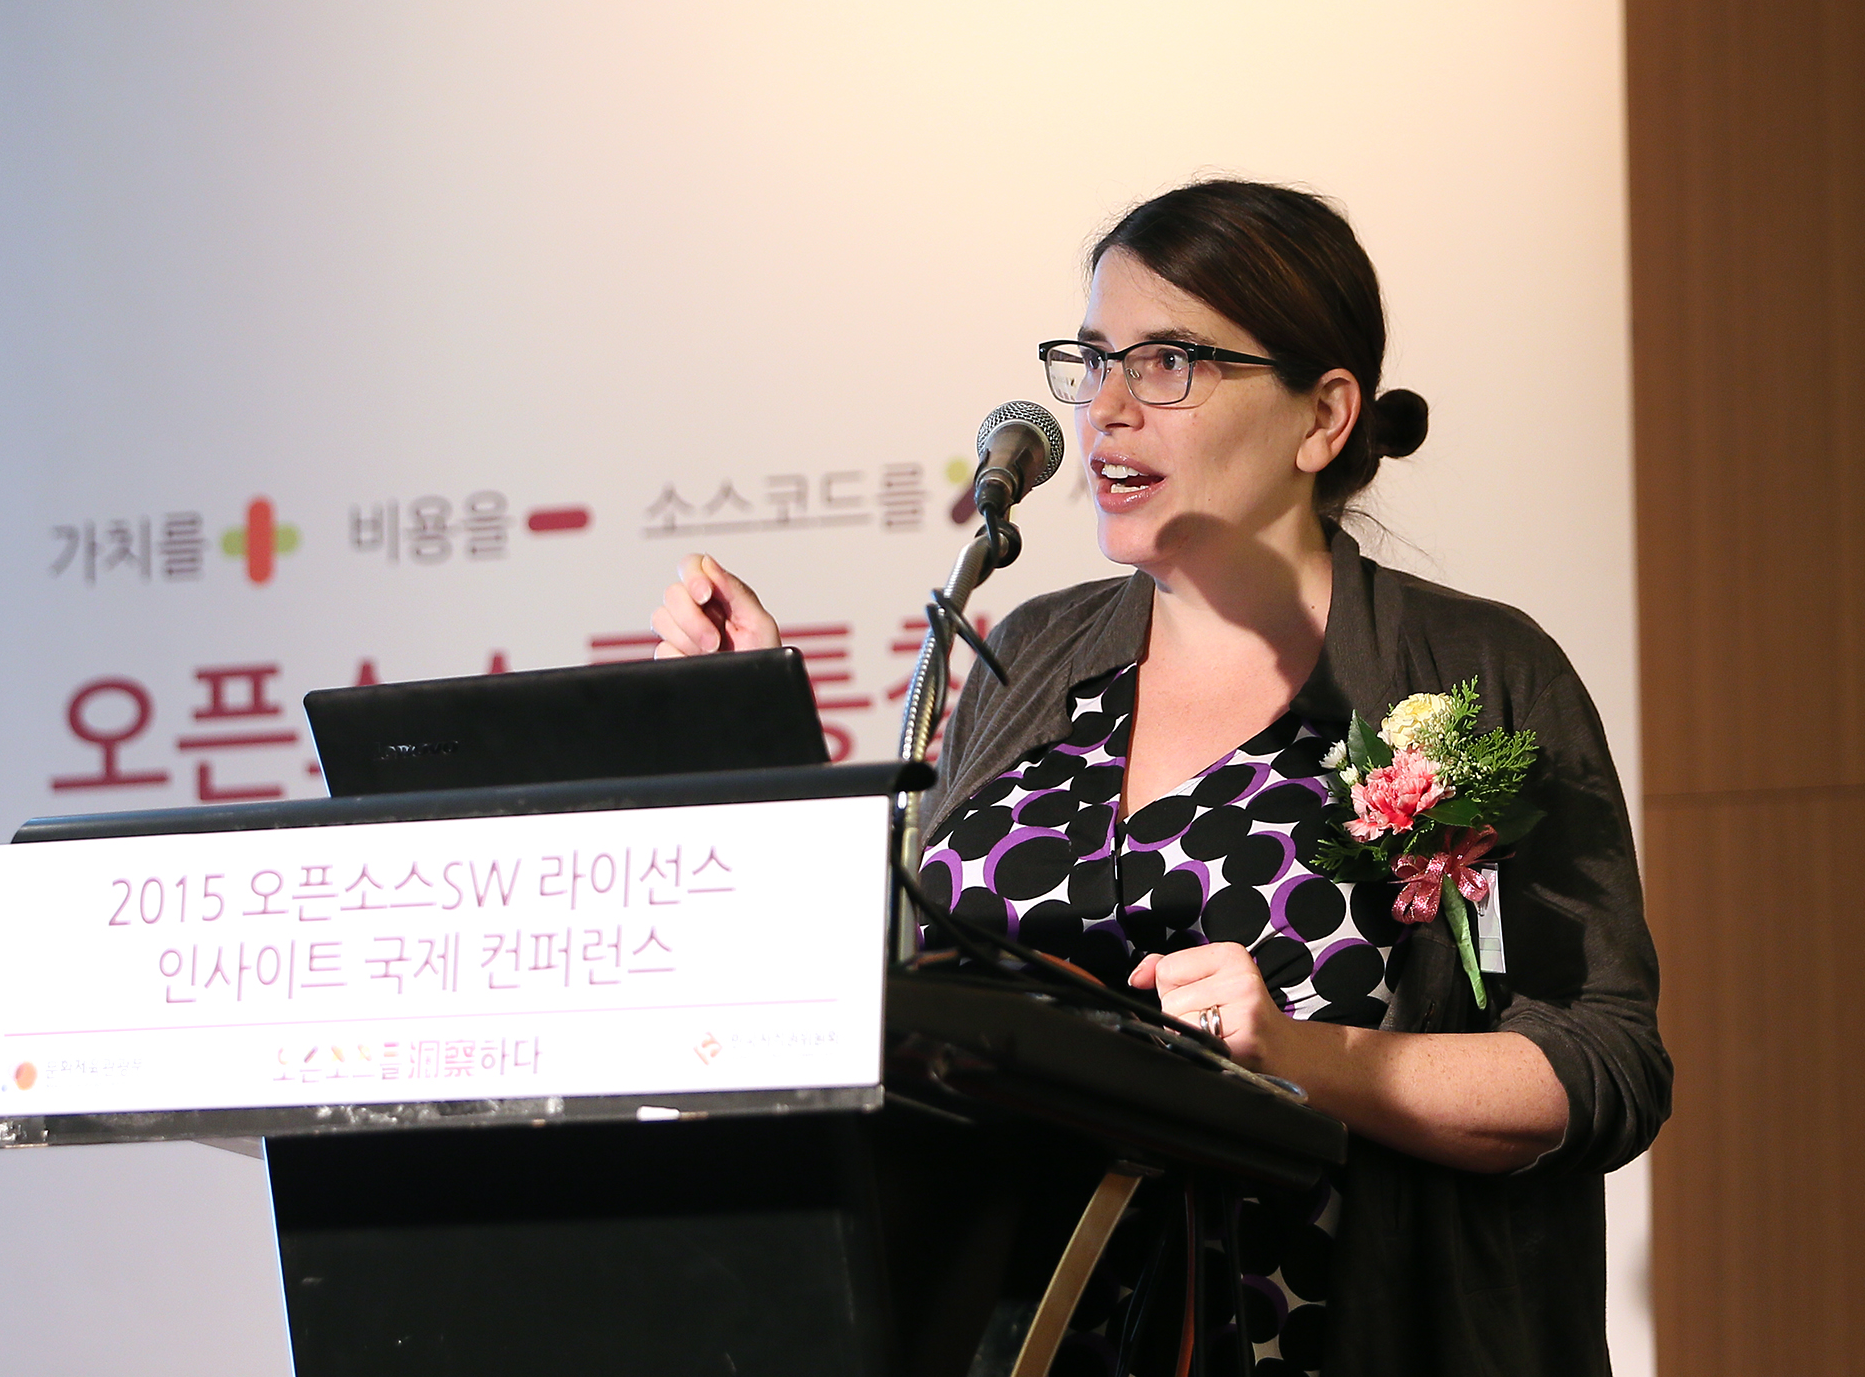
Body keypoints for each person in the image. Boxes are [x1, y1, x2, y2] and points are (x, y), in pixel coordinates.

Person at [649, 179, 1669, 1377]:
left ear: (1323, 416)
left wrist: (1300, 1056)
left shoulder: (1470, 672)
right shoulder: (1036, 649)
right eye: (1094, 362)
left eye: (1170, 362)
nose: (1108, 411)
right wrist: (756, 750)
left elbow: (1602, 1066)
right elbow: (909, 998)